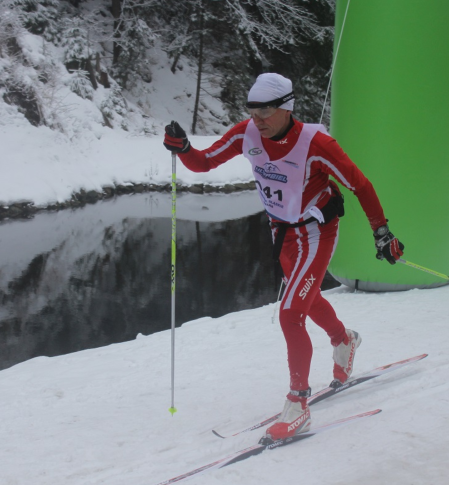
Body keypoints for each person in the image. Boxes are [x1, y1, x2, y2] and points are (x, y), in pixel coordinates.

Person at [162, 73, 404, 442]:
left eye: (265, 111)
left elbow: (360, 184)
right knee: (304, 299)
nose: (256, 118)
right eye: (252, 110)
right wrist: (182, 148)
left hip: (316, 232)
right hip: (283, 232)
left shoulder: (316, 144)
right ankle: (344, 340)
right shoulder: (248, 134)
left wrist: (382, 231)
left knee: (290, 313)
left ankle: (298, 404)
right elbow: (204, 162)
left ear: (286, 108)